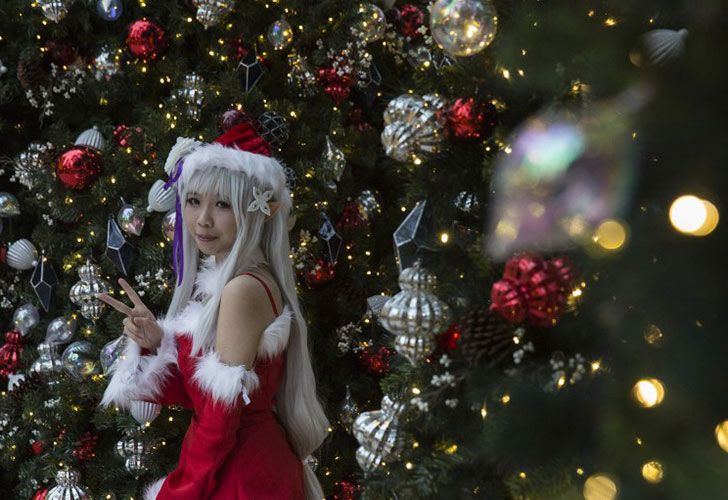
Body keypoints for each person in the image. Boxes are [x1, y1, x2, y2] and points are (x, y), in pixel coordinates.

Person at [98, 122, 330, 499]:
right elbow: (204, 395)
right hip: (248, 466)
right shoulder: (237, 280)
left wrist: (179, 492)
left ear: (254, 211)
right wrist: (159, 342)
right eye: (194, 201)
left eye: (222, 204)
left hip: (241, 475)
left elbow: (221, 422)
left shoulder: (242, 290)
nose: (203, 219)